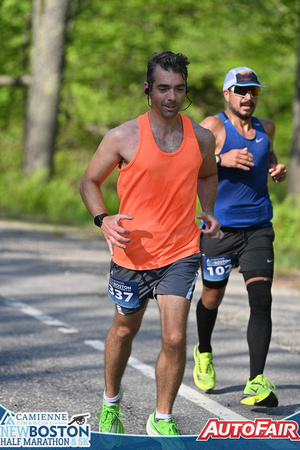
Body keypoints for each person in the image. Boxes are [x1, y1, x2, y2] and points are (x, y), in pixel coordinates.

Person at [80, 51, 223, 438]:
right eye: (163, 88)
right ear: (148, 89)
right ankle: (111, 402)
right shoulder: (123, 136)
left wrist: (207, 210)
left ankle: (162, 418)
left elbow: (208, 174)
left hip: (180, 251)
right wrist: (103, 219)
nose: (171, 97)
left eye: (178, 89)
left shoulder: (202, 137)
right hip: (132, 251)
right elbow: (88, 181)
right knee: (124, 329)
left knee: (175, 337)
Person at [193, 66, 287, 408]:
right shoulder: (212, 126)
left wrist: (275, 167)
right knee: (211, 297)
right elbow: (188, 164)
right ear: (227, 94)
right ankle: (203, 350)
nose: (248, 97)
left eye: (254, 91)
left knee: (261, 300)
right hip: (219, 228)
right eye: (241, 91)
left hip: (258, 226)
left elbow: (268, 155)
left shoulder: (267, 128)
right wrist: (221, 158)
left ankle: (255, 381)